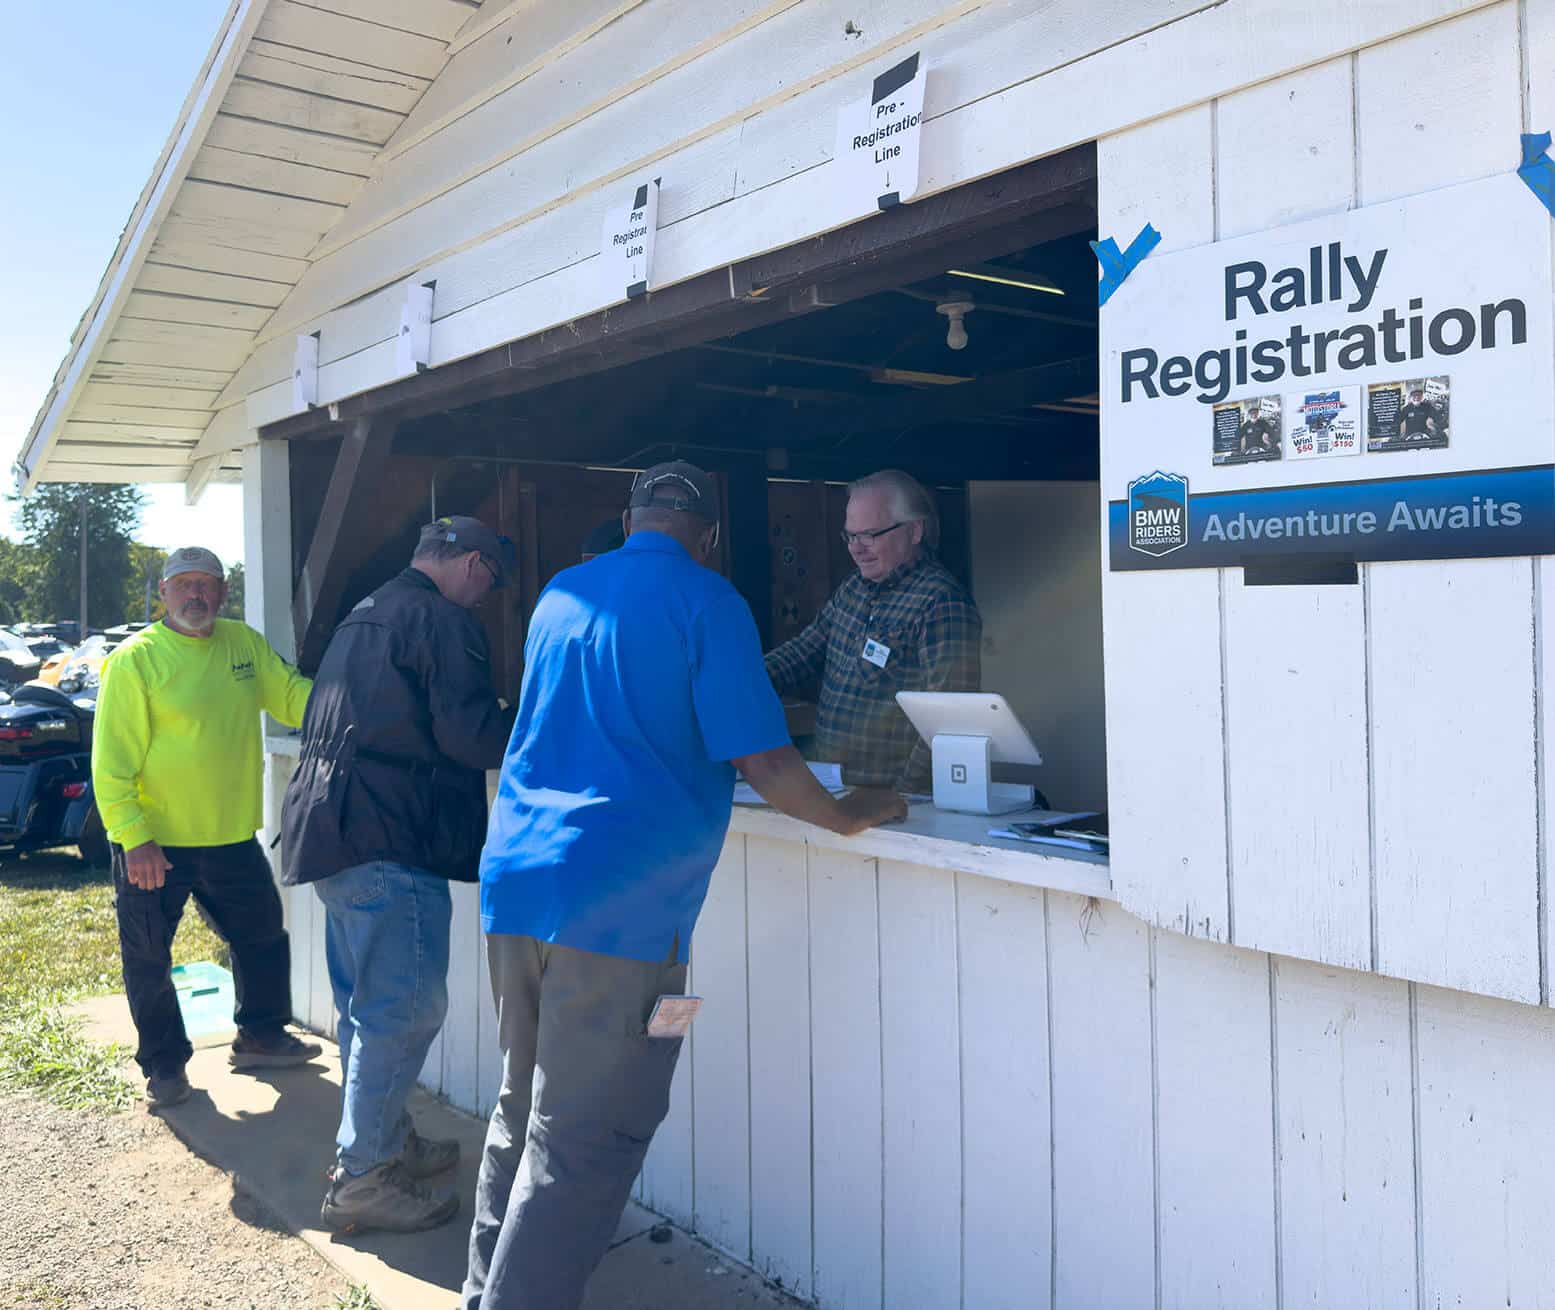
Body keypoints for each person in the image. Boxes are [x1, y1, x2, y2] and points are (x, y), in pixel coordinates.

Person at [465, 460, 905, 1309]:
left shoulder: (561, 593)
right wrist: (847, 815)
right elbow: (766, 760)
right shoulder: (708, 602)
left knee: (522, 1108)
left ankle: (484, 1291)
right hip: (624, 916)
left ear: (631, 518)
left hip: (515, 890)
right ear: (707, 537)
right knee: (593, 1134)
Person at [281, 516, 518, 1234]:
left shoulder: (367, 611)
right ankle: (363, 1178)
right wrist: (540, 720)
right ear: (473, 564)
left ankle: (381, 1141)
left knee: (369, 1010)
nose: (485, 600)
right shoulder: (439, 619)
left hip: (330, 833)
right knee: (402, 1011)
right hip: (390, 836)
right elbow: (471, 736)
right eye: (490, 584)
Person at [93, 546, 320, 1112]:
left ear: (222, 592)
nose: (196, 594)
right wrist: (133, 837)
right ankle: (165, 1067)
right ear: (164, 594)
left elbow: (291, 696)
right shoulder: (135, 660)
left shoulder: (242, 644)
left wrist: (347, 702)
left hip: (228, 837)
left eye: (207, 584)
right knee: (149, 957)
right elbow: (110, 762)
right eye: (184, 584)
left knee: (264, 933)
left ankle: (260, 1035)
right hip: (154, 846)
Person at [764, 468, 982, 794]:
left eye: (870, 535)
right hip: (836, 789)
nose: (856, 548)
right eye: (850, 536)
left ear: (915, 530)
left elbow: (948, 722)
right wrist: (733, 686)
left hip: (891, 803)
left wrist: (904, 797)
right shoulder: (854, 589)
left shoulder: (941, 602)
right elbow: (801, 655)